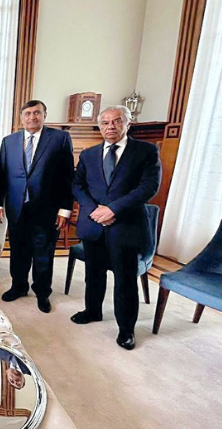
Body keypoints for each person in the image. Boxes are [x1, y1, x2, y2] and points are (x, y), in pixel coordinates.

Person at [71, 105, 161, 350]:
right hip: (94, 225)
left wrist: (113, 209)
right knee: (94, 274)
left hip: (126, 226)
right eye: (105, 123)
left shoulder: (146, 151)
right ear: (99, 126)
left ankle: (126, 329)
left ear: (127, 124)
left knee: (124, 280)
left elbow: (149, 187)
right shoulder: (89, 154)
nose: (110, 127)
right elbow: (78, 186)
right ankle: (92, 310)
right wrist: (94, 210)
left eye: (116, 121)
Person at [0, 100, 74, 313]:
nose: (32, 117)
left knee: (43, 253)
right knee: (18, 251)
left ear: (44, 115)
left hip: (46, 210)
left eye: (37, 113)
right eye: (27, 113)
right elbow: (1, 176)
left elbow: (68, 176)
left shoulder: (60, 139)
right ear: (21, 118)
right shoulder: (9, 141)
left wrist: (65, 209)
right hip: (16, 207)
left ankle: (42, 292)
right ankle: (18, 286)